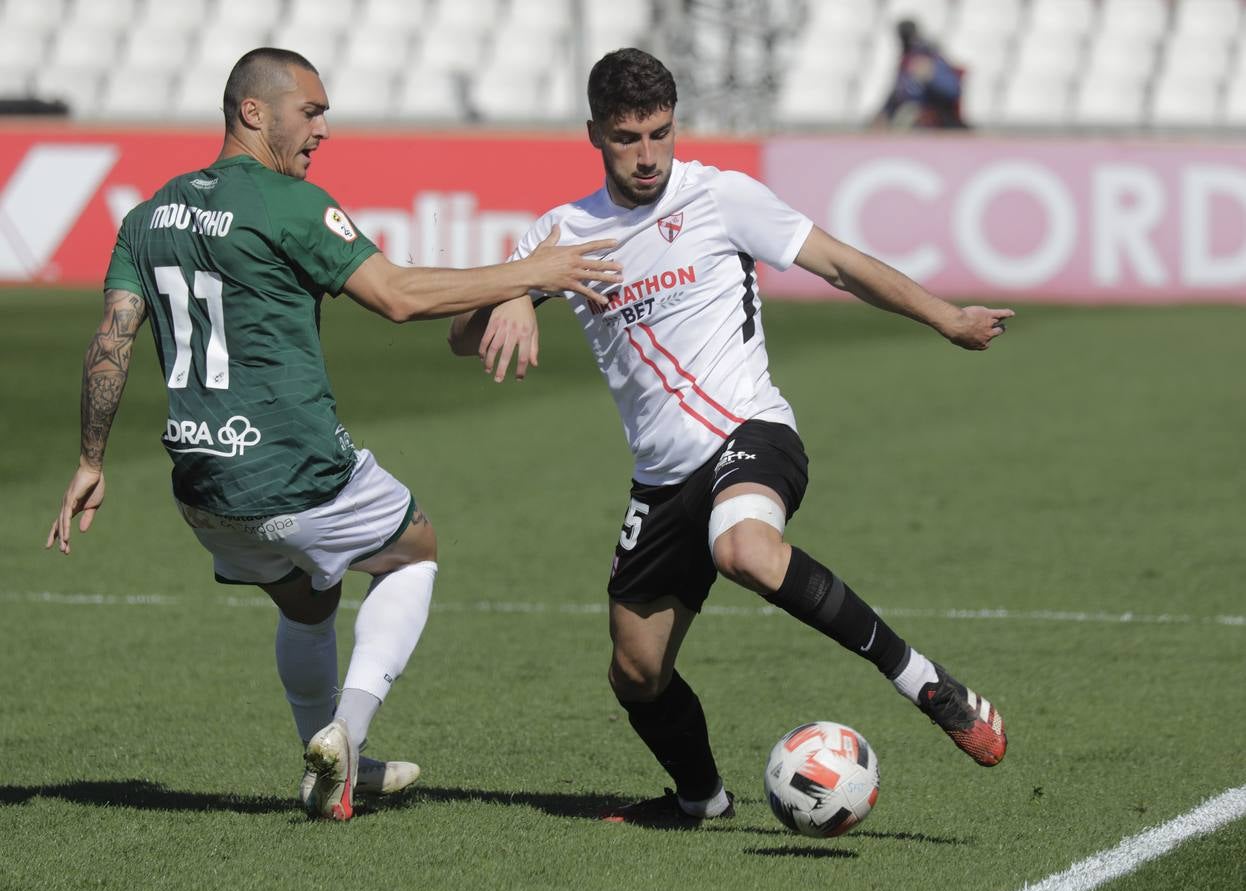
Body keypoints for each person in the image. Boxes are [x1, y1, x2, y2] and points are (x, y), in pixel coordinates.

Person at [45, 47, 621, 822]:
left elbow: (111, 341)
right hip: (296, 469)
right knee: (415, 551)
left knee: (309, 606)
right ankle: (346, 734)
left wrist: (89, 459)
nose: (323, 129)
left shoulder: (148, 215)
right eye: (310, 111)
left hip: (204, 491)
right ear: (255, 112)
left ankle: (326, 763)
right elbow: (397, 295)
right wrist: (530, 273)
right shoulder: (287, 204)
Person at [448, 48, 1012, 827]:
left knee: (743, 548)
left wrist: (947, 318)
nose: (647, 156)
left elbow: (840, 265)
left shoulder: (720, 197)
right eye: (627, 138)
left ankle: (925, 682)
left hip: (752, 433)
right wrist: (511, 289)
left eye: (660, 133)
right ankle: (701, 800)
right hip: (660, 480)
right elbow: (460, 338)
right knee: (636, 673)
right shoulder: (563, 233)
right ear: (594, 135)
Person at [874, 19, 968, 129]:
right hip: (909, 117)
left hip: (933, 121)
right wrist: (883, 113)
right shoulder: (906, 61)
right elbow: (897, 93)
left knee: (909, 114)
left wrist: (931, 77)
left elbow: (953, 91)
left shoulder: (931, 58)